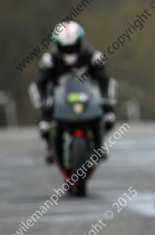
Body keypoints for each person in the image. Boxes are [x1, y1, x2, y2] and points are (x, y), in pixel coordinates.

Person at [29, 21, 116, 163]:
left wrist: (108, 102)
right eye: (65, 47)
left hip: (87, 99)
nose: (70, 51)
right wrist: (42, 104)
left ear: (80, 42)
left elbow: (107, 81)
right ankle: (51, 146)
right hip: (59, 101)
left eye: (73, 46)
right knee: (44, 126)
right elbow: (37, 85)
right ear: (57, 45)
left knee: (109, 119)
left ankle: (99, 144)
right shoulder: (49, 60)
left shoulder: (94, 57)